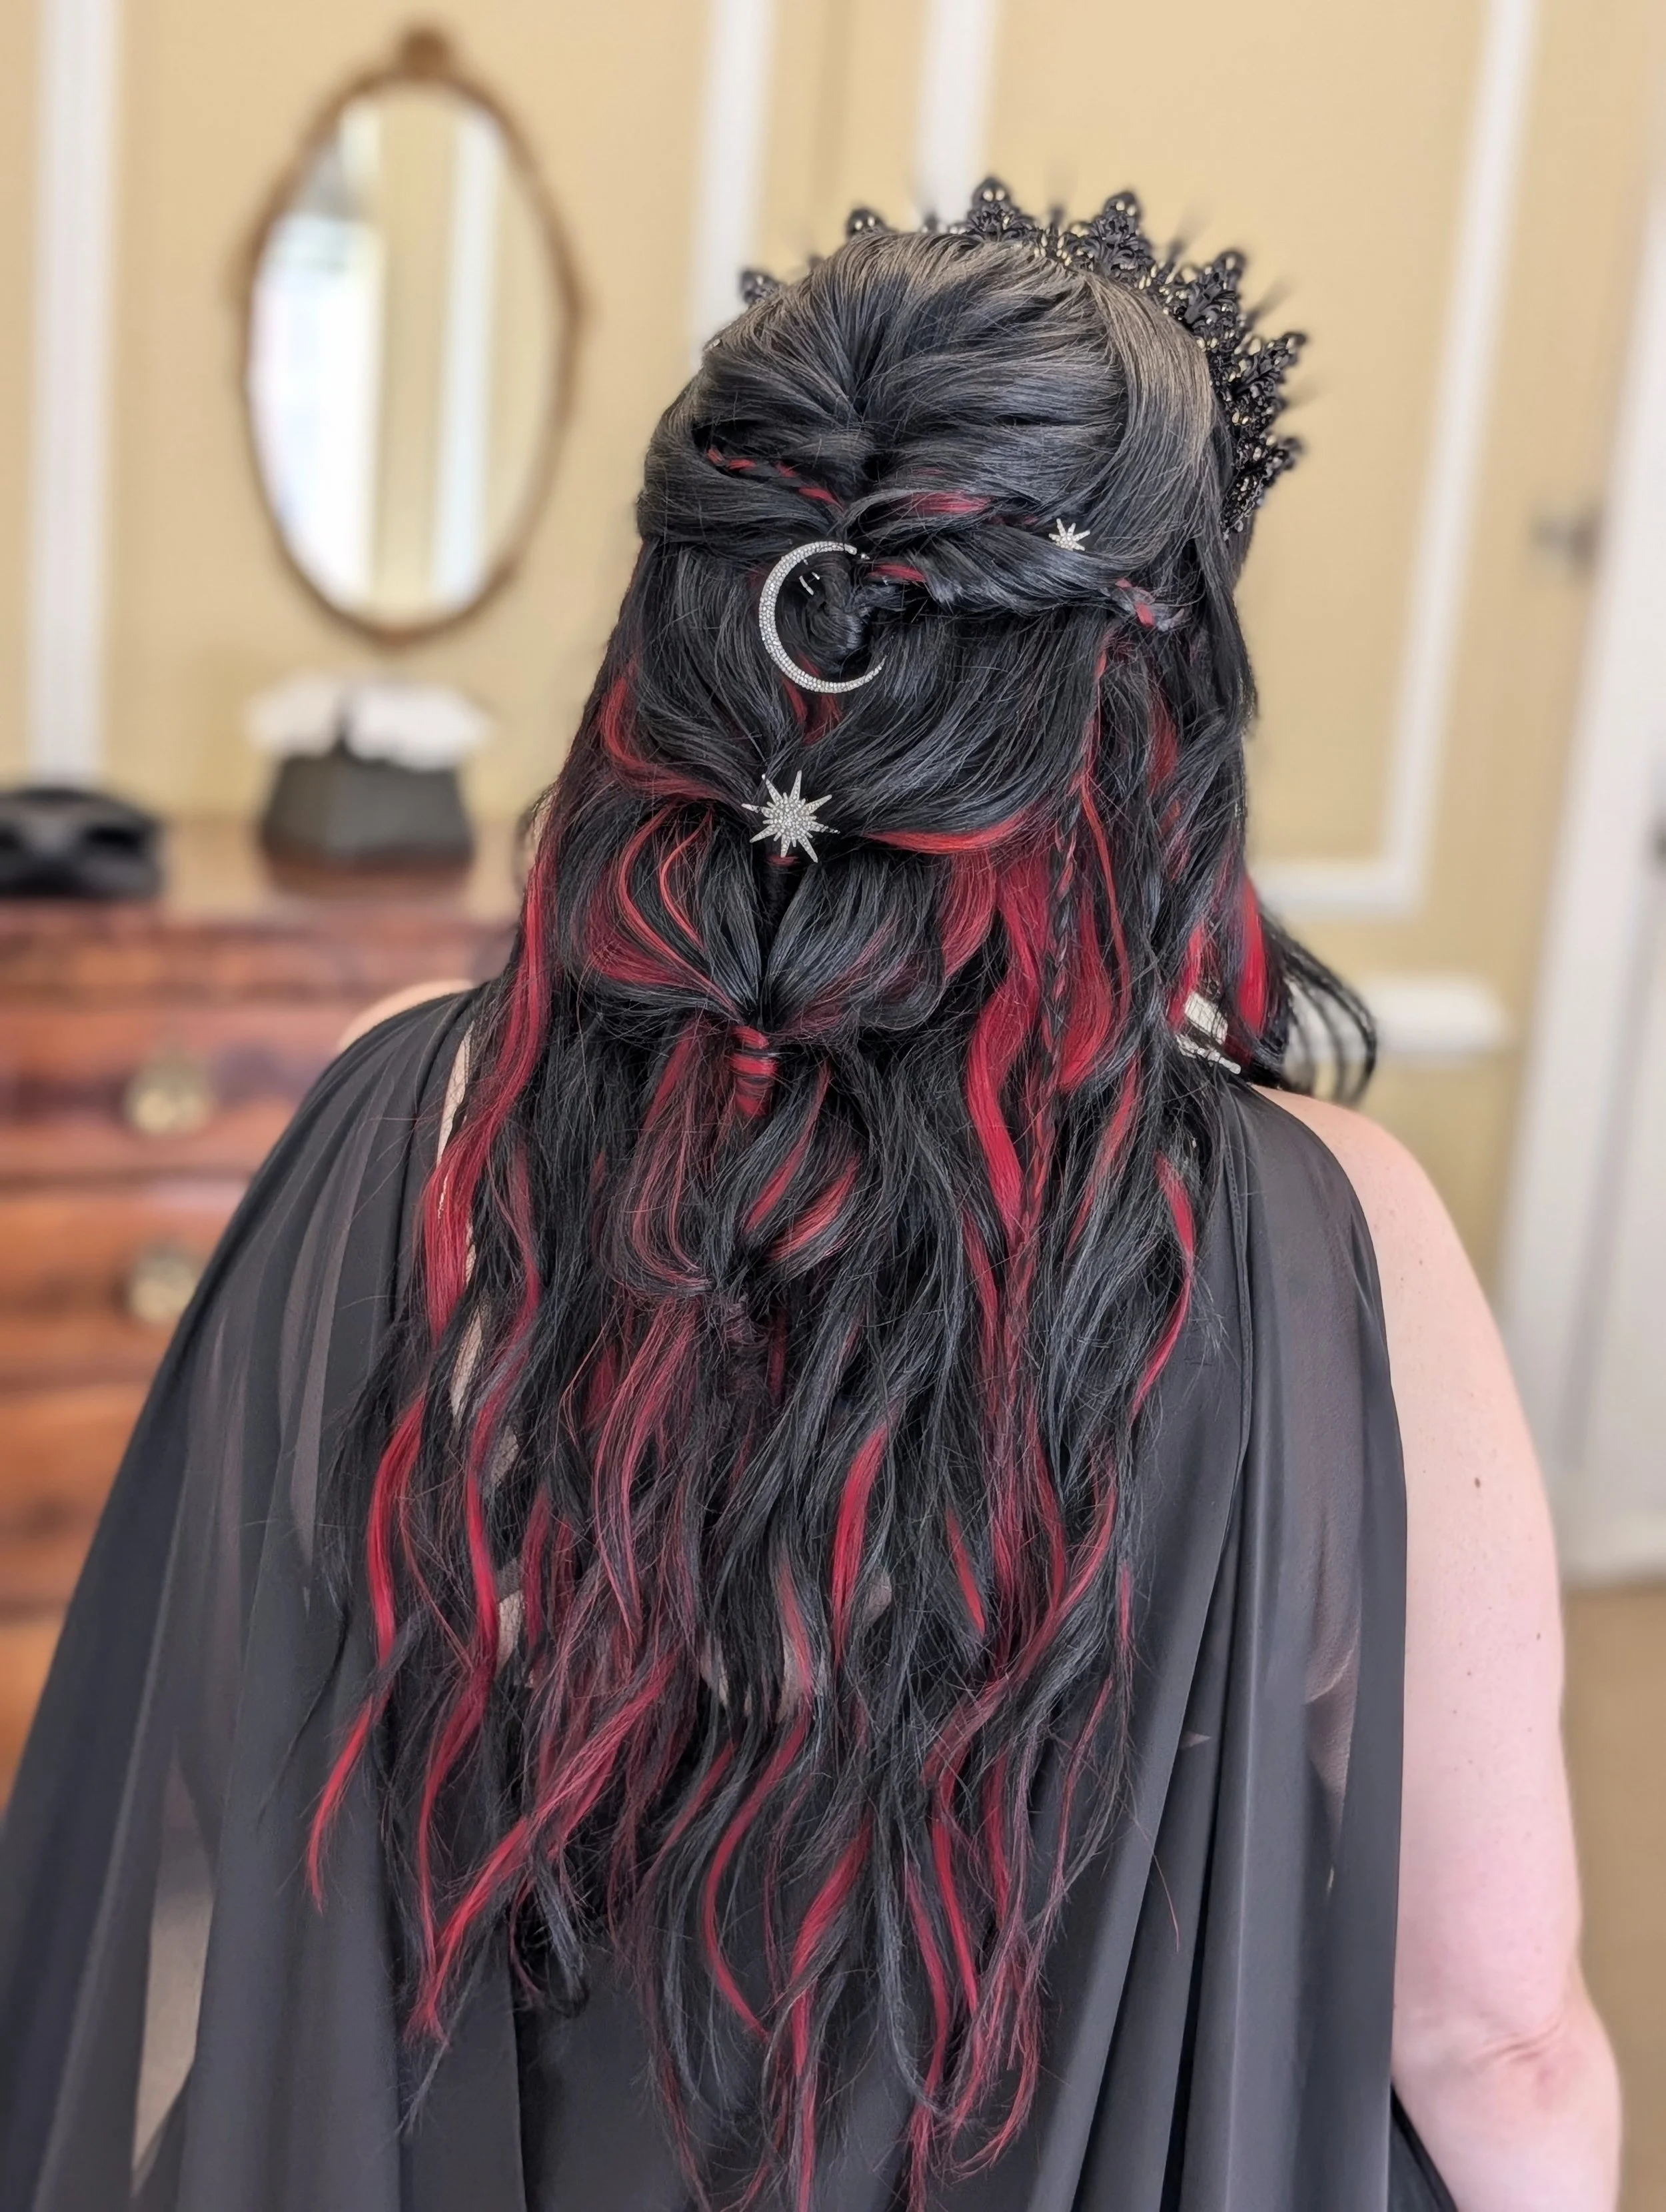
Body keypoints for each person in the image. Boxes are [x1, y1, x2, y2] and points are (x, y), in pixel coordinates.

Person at [0, 184, 1619, 2212]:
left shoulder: (406, 1123)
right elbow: (1491, 2031)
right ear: (1142, 731)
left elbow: (226, 1830)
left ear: (669, 655)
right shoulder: (1320, 1245)